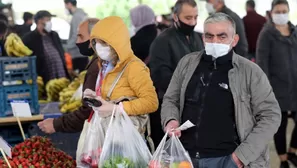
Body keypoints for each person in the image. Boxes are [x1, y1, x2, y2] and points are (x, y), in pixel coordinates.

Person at [161, 13, 281, 168]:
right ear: (203, 38)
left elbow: (271, 115)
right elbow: (171, 99)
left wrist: (241, 156)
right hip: (184, 157)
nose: (215, 41)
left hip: (227, 159)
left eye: (222, 36)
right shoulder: (187, 63)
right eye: (209, 36)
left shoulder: (250, 72)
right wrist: (170, 120)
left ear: (235, 40)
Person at [37, 16, 158, 139]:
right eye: (95, 42)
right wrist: (96, 98)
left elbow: (151, 102)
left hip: (128, 138)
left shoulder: (134, 67)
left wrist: (116, 108)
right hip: (109, 136)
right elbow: (110, 98)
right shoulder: (105, 65)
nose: (98, 46)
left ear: (117, 41)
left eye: (103, 42)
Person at [149, 0, 204, 147]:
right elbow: (160, 76)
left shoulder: (197, 38)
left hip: (195, 106)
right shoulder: (162, 41)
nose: (193, 22)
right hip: (171, 108)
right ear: (175, 17)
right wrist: (190, 86)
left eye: (195, 17)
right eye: (188, 18)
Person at [256, 0, 297, 168]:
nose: (281, 14)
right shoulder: (266, 34)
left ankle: (292, 151)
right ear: (272, 13)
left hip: (295, 86)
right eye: (278, 11)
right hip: (276, 88)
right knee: (280, 125)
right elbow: (262, 63)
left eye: (284, 11)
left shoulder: (294, 31)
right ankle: (283, 160)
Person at [22, 10, 69, 84]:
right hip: (44, 78)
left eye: (50, 20)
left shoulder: (54, 35)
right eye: (48, 20)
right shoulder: (29, 38)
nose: (50, 23)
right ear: (39, 21)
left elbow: (61, 52)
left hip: (60, 74)